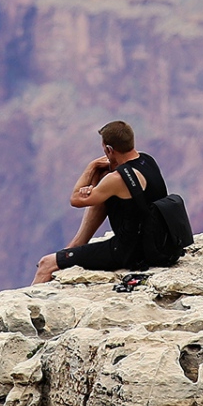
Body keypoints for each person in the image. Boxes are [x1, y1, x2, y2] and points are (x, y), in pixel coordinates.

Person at [34, 120, 171, 284]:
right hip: (155, 243)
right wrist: (98, 182)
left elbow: (76, 199)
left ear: (109, 149)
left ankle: (27, 305)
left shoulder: (117, 179)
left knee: (46, 263)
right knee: (103, 182)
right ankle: (76, 246)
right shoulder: (147, 161)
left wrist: (91, 167)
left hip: (126, 252)